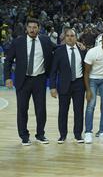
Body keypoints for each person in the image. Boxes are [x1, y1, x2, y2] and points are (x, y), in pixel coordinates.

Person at [4, 18, 55, 146]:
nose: (32, 30)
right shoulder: (18, 42)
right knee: (22, 109)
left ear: (39, 28)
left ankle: (40, 134)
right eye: (30, 27)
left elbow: (58, 48)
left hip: (39, 79)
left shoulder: (45, 40)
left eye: (35, 27)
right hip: (23, 80)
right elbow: (8, 60)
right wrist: (8, 77)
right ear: (26, 29)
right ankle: (24, 136)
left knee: (41, 109)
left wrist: (75, 44)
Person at [50, 29, 87, 144]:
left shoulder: (82, 50)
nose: (70, 38)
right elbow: (53, 71)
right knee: (63, 111)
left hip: (79, 84)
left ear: (76, 37)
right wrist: (52, 87)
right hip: (64, 85)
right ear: (64, 38)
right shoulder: (58, 51)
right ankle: (62, 135)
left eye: (72, 36)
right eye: (68, 36)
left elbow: (87, 69)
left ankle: (78, 135)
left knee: (79, 111)